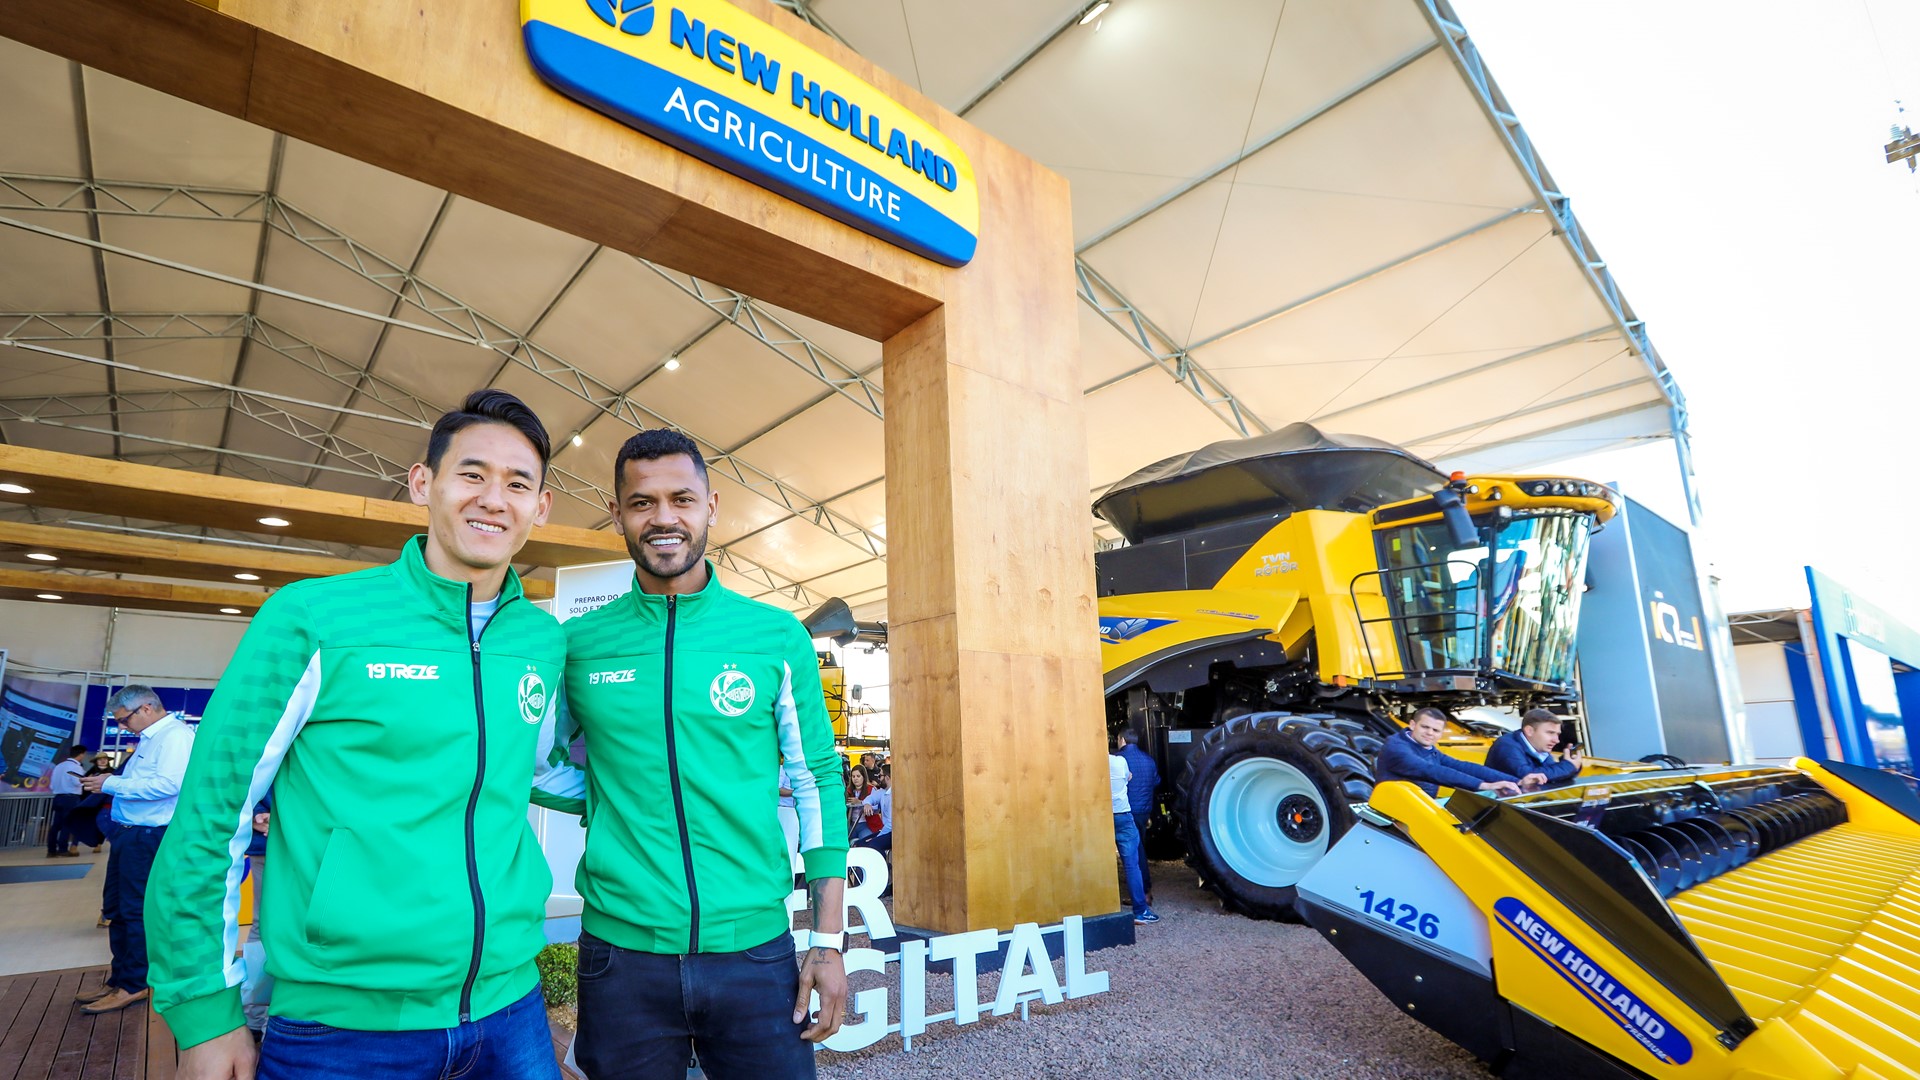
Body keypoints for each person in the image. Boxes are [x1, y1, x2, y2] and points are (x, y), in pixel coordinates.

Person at [145, 389, 570, 1080]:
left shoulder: (541, 642)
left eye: (517, 483)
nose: (494, 498)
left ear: (540, 508)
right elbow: (210, 814)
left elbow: (547, 768)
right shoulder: (315, 618)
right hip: (342, 1027)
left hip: (509, 1010)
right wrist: (203, 1011)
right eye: (472, 474)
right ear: (423, 483)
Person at [548, 428, 849, 1080]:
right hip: (621, 957)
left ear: (713, 506)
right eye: (641, 503)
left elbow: (816, 777)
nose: (663, 519)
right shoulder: (580, 644)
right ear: (617, 514)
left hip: (755, 955)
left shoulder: (773, 636)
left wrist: (827, 942)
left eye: (681, 499)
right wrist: (606, 794)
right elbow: (537, 759)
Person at [74, 687, 194, 1015]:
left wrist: (110, 783)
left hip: (147, 837)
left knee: (135, 910)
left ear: (145, 708)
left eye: (124, 720)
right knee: (115, 907)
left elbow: (169, 785)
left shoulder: (174, 737)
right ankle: (120, 977)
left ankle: (135, 983)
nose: (123, 726)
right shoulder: (150, 739)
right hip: (129, 834)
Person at [1375, 708, 1535, 798]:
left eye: (1436, 730)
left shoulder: (1427, 748)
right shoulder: (1397, 748)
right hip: (1396, 813)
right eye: (1425, 727)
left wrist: (1518, 781)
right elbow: (1431, 771)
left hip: (1422, 805)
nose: (1430, 733)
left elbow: (1461, 766)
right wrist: (1484, 786)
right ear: (1412, 724)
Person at [1109, 741, 1156, 925]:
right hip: (1123, 815)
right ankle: (1140, 910)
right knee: (1131, 864)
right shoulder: (1120, 761)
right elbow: (1129, 777)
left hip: (1100, 817)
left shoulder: (1093, 764)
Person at [1485, 709, 1585, 789]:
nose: (1557, 740)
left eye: (1557, 734)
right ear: (1530, 731)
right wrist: (1568, 766)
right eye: (1550, 733)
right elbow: (1530, 776)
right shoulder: (1507, 746)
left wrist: (1569, 763)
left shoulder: (1538, 746)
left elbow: (1552, 775)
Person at [45, 743, 91, 857]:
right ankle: (63, 849)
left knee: (56, 825)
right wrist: (87, 779)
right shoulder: (76, 767)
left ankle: (51, 850)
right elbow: (77, 782)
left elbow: (52, 785)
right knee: (67, 824)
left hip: (58, 797)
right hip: (71, 798)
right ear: (81, 755)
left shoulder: (59, 766)